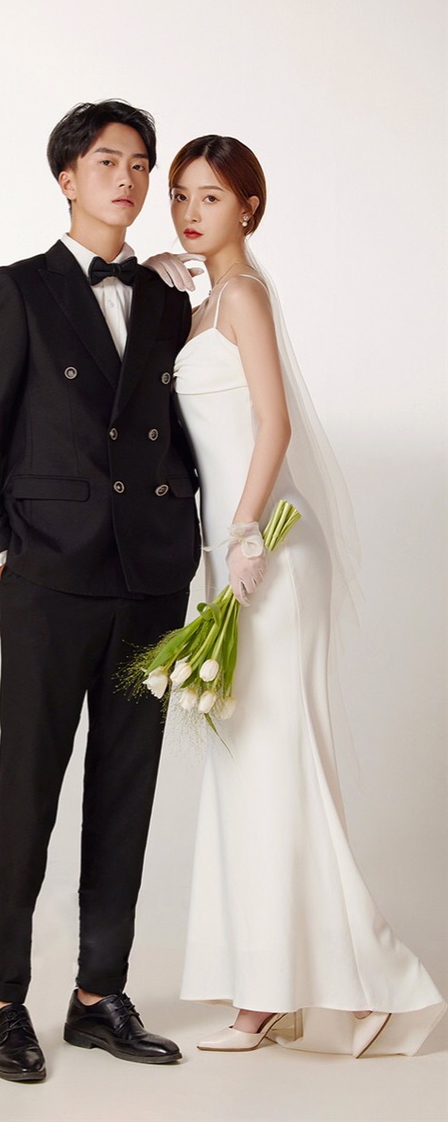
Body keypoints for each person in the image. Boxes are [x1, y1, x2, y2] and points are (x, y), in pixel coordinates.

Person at [146, 134, 445, 1056]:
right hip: (232, 551)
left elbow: (271, 424)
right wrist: (156, 281)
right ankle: (272, 987)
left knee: (277, 761)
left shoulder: (242, 294)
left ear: (249, 208)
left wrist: (243, 533)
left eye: (210, 197)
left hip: (267, 547)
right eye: (180, 196)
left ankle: (363, 986)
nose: (190, 212)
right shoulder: (199, 304)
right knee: (247, 763)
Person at [0, 100, 200, 1082]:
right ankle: (3, 998)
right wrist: (1, 555)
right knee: (29, 791)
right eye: (107, 161)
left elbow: (194, 430)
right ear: (66, 178)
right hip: (49, 582)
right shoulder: (17, 289)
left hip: (149, 582)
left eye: (140, 165)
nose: (127, 179)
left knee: (126, 794)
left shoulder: (165, 298)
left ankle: (98, 996)